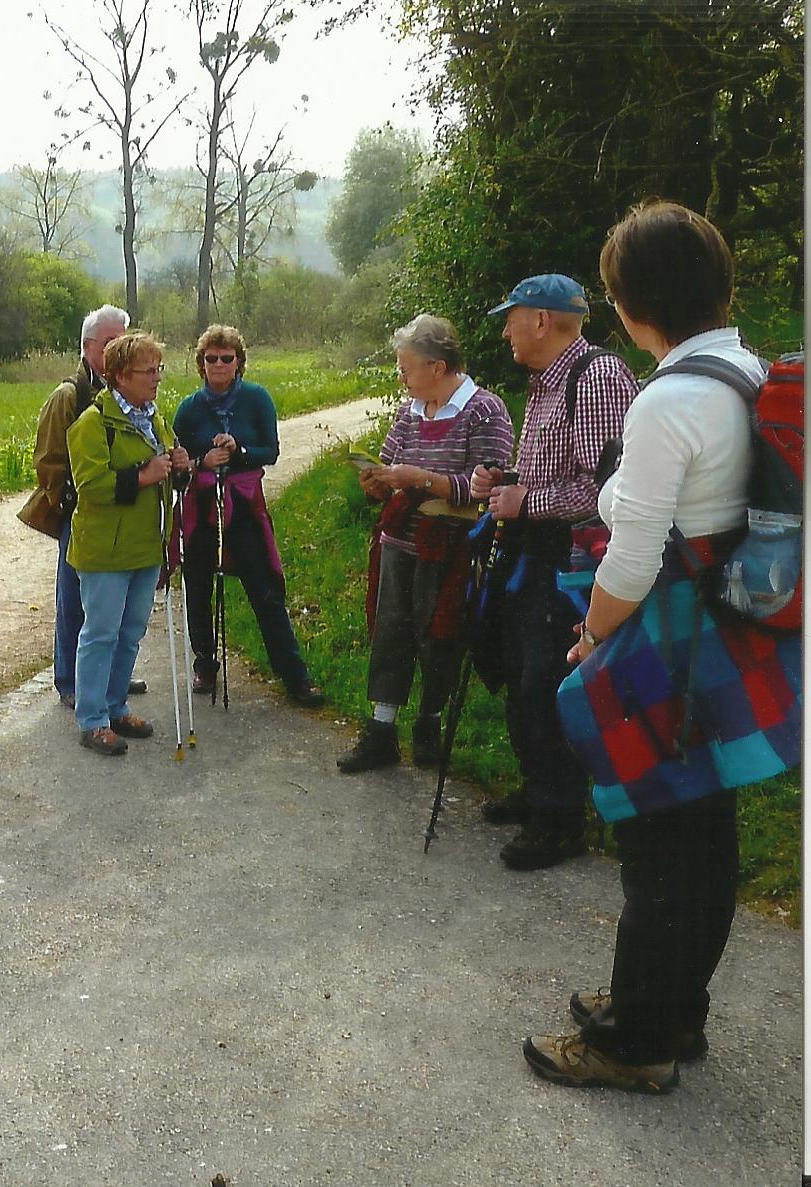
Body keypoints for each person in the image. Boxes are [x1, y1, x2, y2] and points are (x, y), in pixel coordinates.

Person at [524, 201, 801, 1094]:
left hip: (668, 648)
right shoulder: (745, 370)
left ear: (629, 304)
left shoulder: (666, 401)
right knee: (702, 835)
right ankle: (671, 1007)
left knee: (657, 844)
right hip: (726, 636)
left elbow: (634, 560)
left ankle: (633, 1040)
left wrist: (591, 641)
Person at [472, 275, 638, 869]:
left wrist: (526, 503)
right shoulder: (546, 383)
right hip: (531, 551)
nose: (506, 329)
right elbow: (549, 475)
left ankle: (559, 817)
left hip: (568, 558)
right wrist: (506, 482)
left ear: (541, 320)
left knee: (544, 680)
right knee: (520, 671)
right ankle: (537, 785)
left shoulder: (595, 379)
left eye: (511, 317)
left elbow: (605, 489)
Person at [337, 315, 514, 773]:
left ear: (437, 367)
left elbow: (489, 488)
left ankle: (429, 726)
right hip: (400, 537)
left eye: (407, 368)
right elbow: (392, 462)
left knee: (440, 635)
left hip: (451, 543)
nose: (402, 378)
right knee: (391, 631)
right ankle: (381, 731)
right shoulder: (409, 411)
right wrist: (377, 482)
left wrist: (424, 481)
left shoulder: (484, 410)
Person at [172, 326, 325, 708]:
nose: (219, 365)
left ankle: (294, 676)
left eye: (227, 358)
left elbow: (269, 450)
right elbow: (175, 463)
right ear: (200, 363)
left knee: (265, 590)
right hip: (202, 508)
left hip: (244, 506)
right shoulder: (189, 408)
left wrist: (238, 451)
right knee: (198, 587)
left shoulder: (257, 399)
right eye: (211, 359)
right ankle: (205, 664)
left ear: (239, 362)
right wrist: (200, 461)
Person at [66, 331, 192, 756]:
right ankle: (92, 719)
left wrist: (180, 467)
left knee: (131, 632)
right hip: (105, 549)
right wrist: (143, 475)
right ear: (119, 376)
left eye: (159, 369)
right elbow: (91, 485)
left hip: (145, 546)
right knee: (100, 633)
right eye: (148, 371)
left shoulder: (154, 417)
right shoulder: (91, 423)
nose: (157, 378)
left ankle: (117, 706)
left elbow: (170, 477)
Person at [17, 305, 145, 708]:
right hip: (82, 513)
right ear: (88, 346)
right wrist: (70, 506)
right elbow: (49, 461)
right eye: (110, 342)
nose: (118, 349)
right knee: (73, 601)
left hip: (121, 515)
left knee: (114, 606)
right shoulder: (69, 395)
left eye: (123, 340)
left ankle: (107, 678)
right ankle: (70, 682)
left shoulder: (127, 395)